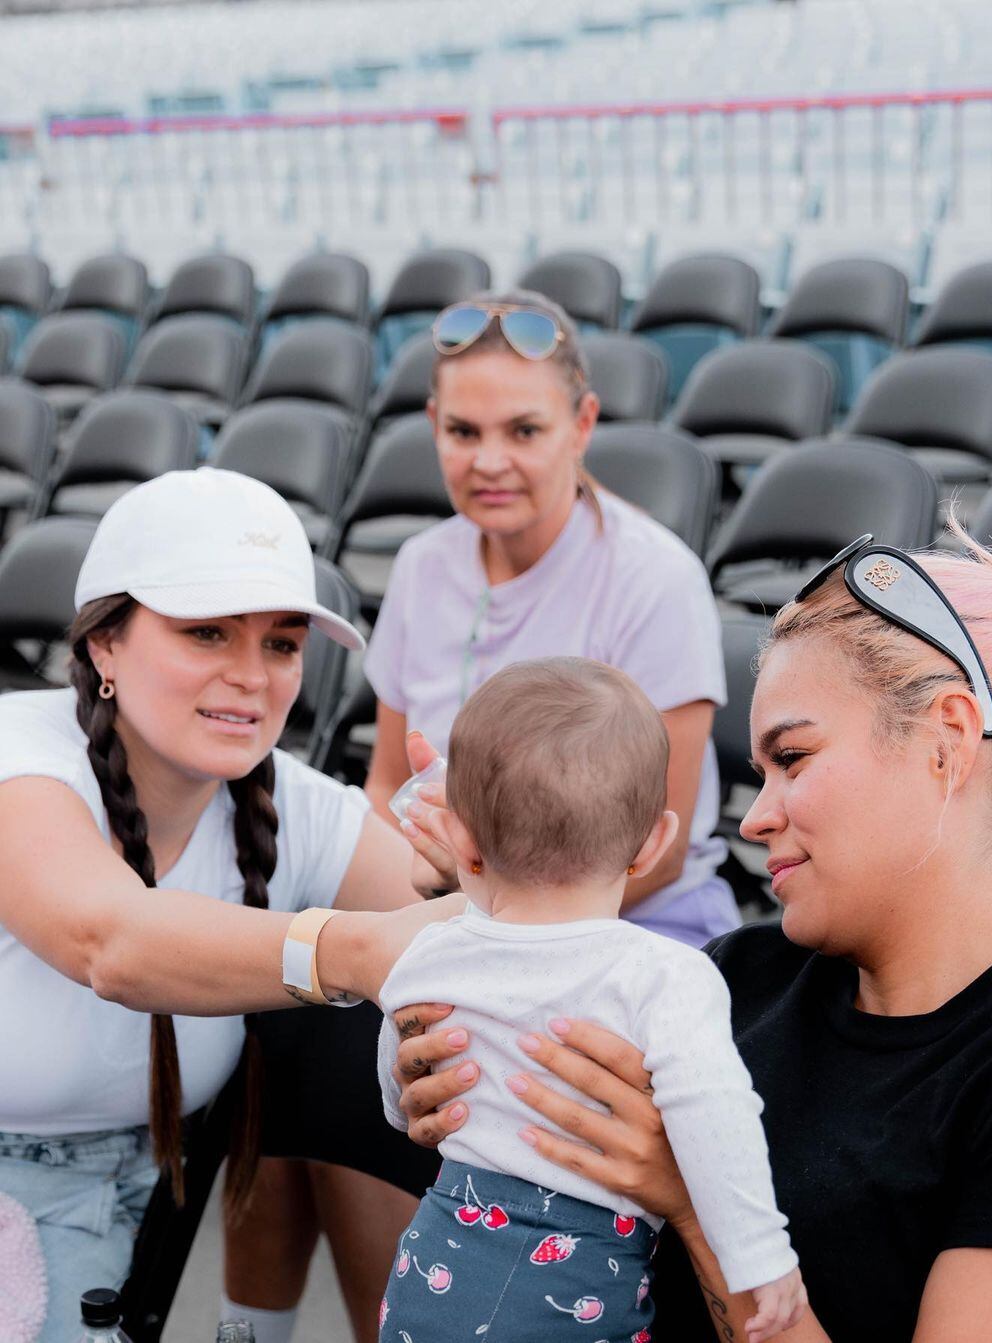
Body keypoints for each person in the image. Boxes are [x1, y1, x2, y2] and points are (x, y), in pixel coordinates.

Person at [389, 529, 992, 1342]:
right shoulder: (733, 976)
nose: (755, 818)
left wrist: (691, 1197)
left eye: (792, 756)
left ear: (948, 739)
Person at [230, 289, 737, 1339]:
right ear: (432, 430)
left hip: (614, 933)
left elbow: (668, 838)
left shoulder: (656, 579)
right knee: (281, 1036)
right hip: (447, 902)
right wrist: (426, 896)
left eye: (523, 430)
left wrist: (482, 909)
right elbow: (383, 782)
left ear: (584, 427)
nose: (488, 459)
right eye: (463, 431)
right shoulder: (423, 565)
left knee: (385, 1047)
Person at [0, 467, 459, 1343]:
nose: (253, 678)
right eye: (206, 632)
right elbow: (112, 942)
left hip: (145, 1199)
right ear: (105, 645)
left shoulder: (298, 802)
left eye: (282, 644)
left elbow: (456, 931)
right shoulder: (18, 756)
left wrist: (475, 872)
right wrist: (354, 951)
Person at [376, 657, 805, 1343]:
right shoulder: (664, 974)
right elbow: (714, 1117)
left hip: (434, 1265)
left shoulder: (429, 952)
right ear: (654, 842)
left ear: (460, 837)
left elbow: (404, 1101)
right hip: (574, 1285)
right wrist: (759, 1257)